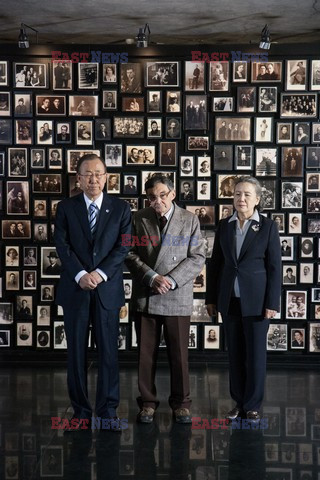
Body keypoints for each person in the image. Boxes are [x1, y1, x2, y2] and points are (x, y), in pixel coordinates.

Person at [54, 153, 131, 431]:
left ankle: (108, 411)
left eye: (99, 173)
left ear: (106, 177)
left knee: (109, 353)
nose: (94, 179)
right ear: (78, 179)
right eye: (88, 174)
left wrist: (98, 274)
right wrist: (80, 275)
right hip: (75, 290)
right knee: (76, 354)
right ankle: (81, 412)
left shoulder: (121, 209)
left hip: (106, 291)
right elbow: (62, 246)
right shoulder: (65, 207)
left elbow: (123, 247)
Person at [126, 174, 205, 424]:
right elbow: (128, 253)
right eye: (151, 197)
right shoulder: (138, 218)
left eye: (162, 195)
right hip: (147, 293)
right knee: (145, 354)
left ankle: (181, 403)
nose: (157, 200)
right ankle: (147, 403)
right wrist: (151, 277)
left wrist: (169, 279)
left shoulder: (190, 220)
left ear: (172, 194)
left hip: (176, 293)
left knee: (179, 355)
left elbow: (197, 257)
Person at [206, 176, 281, 422]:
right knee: (235, 355)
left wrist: (272, 303)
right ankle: (238, 403)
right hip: (230, 300)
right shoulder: (224, 225)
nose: (241, 198)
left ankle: (253, 406)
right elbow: (215, 264)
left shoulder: (268, 227)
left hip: (257, 303)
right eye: (237, 194)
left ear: (257, 199)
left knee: (256, 356)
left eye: (247, 194)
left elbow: (274, 268)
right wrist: (211, 299)